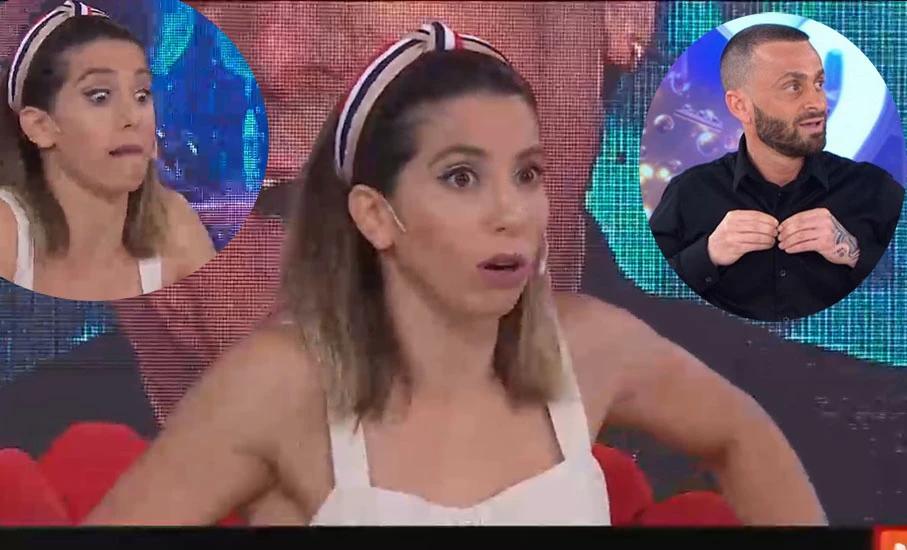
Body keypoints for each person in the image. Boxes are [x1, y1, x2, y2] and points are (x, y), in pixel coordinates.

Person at [84, 22, 825, 526]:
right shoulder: (279, 383)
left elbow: (741, 437)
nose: (511, 213)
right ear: (375, 215)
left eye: (526, 173)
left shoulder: (592, 346)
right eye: (461, 177)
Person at [648, 23, 905, 322]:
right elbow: (642, 297)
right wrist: (708, 254)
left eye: (819, 83)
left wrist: (854, 253)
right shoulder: (689, 193)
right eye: (793, 87)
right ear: (740, 106)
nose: (818, 103)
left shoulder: (874, 189)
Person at [0, 0, 215, 301]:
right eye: (100, 96)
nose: (133, 117)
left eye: (141, 95)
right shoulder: (6, 232)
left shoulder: (172, 223)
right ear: (40, 126)